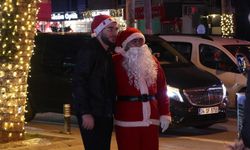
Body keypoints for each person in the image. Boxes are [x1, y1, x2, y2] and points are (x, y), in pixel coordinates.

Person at [112, 27, 171, 150]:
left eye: (140, 41)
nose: (139, 44)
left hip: (151, 120)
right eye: (134, 41)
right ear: (125, 44)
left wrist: (165, 113)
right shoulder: (116, 62)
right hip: (126, 119)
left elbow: (162, 89)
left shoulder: (152, 61)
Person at [72, 15, 118, 150]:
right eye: (110, 29)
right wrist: (85, 112)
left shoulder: (106, 54)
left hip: (104, 114)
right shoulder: (89, 51)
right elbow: (79, 82)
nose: (114, 33)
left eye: (116, 29)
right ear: (98, 31)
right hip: (93, 113)